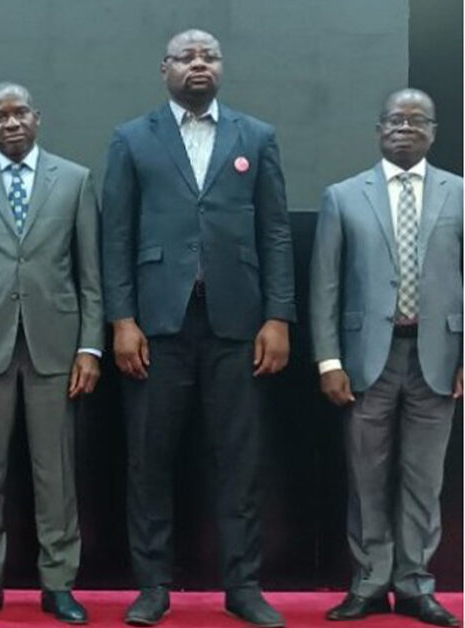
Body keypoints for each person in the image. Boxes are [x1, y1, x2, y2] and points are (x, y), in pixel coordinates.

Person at [101, 29, 295, 627]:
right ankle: (152, 587)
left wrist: (278, 316)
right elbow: (117, 236)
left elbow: (275, 232)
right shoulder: (132, 139)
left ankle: (243, 586)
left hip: (238, 324)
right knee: (149, 460)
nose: (199, 64)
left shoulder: (255, 136)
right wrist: (122, 319)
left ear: (222, 66)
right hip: (156, 325)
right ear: (165, 69)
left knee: (239, 460)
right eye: (186, 57)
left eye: (209, 55)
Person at [0, 82, 101, 623]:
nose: (11, 123)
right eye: (0, 116)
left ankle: (59, 583)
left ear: (37, 117)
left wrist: (91, 346)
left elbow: (90, 275)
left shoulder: (74, 180)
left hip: (56, 346)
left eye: (20, 113)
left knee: (56, 472)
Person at [310, 88, 462, 628]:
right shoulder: (343, 196)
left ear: (434, 132)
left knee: (425, 480)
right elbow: (325, 285)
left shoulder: (460, 193)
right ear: (378, 130)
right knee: (366, 476)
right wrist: (329, 361)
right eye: (395, 120)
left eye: (417, 120)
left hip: (439, 359)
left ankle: (416, 585)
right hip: (364, 361)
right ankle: (370, 583)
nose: (405, 128)